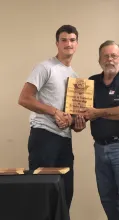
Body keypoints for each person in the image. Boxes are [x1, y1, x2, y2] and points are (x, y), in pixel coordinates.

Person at [18, 25, 86, 212]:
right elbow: (24, 98)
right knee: (43, 195)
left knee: (65, 194)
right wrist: (54, 112)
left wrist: (75, 123)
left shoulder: (76, 78)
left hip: (64, 141)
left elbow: (73, 121)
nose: (68, 43)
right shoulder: (45, 67)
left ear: (77, 44)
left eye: (72, 40)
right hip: (43, 136)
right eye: (63, 40)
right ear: (57, 43)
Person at [81, 40, 119, 220]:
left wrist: (98, 113)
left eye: (114, 55)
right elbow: (84, 114)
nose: (110, 59)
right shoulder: (91, 83)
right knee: (107, 198)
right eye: (105, 56)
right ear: (99, 59)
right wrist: (78, 121)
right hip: (100, 148)